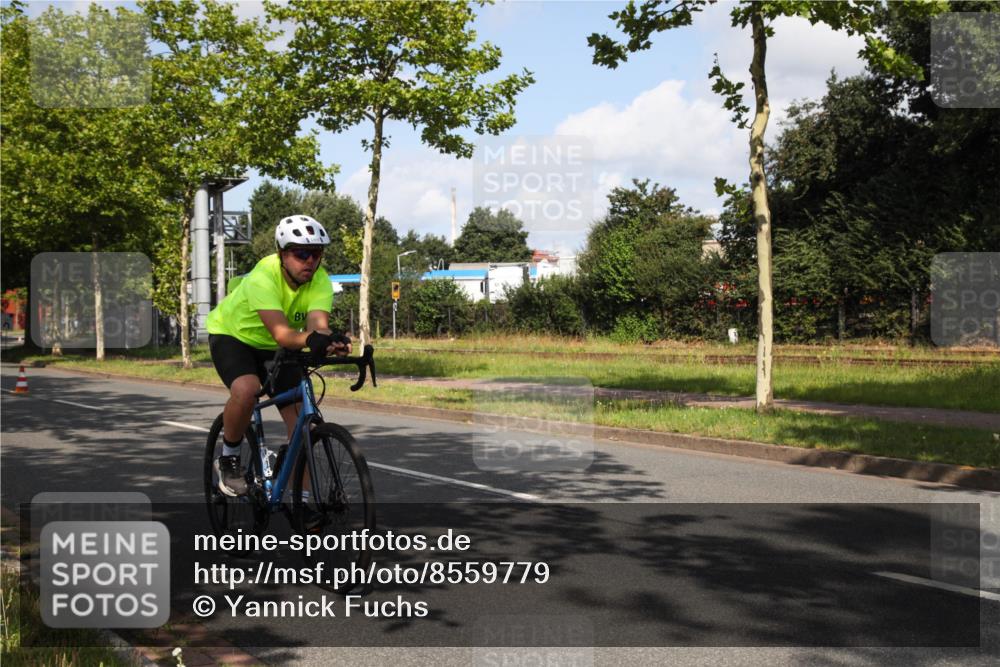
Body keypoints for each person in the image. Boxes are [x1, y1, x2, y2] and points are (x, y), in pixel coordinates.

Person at [206, 214, 350, 496]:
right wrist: (311, 339)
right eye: (301, 253)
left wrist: (329, 342)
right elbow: (284, 335)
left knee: (302, 428)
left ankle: (305, 502)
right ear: (282, 254)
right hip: (233, 336)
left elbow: (316, 327)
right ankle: (229, 458)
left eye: (316, 254)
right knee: (247, 390)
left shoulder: (319, 280)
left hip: (275, 346)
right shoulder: (263, 276)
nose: (309, 261)